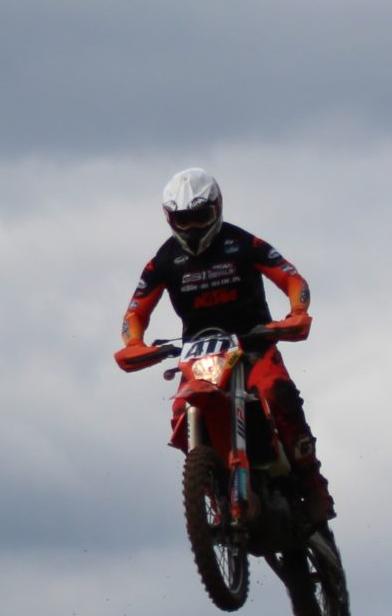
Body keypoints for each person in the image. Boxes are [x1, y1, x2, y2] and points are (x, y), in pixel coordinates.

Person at [114, 168, 333, 525]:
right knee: (180, 413)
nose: (192, 228)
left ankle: (314, 484)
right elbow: (135, 311)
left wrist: (297, 312)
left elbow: (291, 277)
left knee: (277, 393)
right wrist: (134, 343)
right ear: (170, 218)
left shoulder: (241, 243)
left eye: (200, 217)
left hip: (253, 345)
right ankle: (213, 490)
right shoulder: (165, 260)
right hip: (200, 354)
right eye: (183, 220)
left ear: (216, 209)